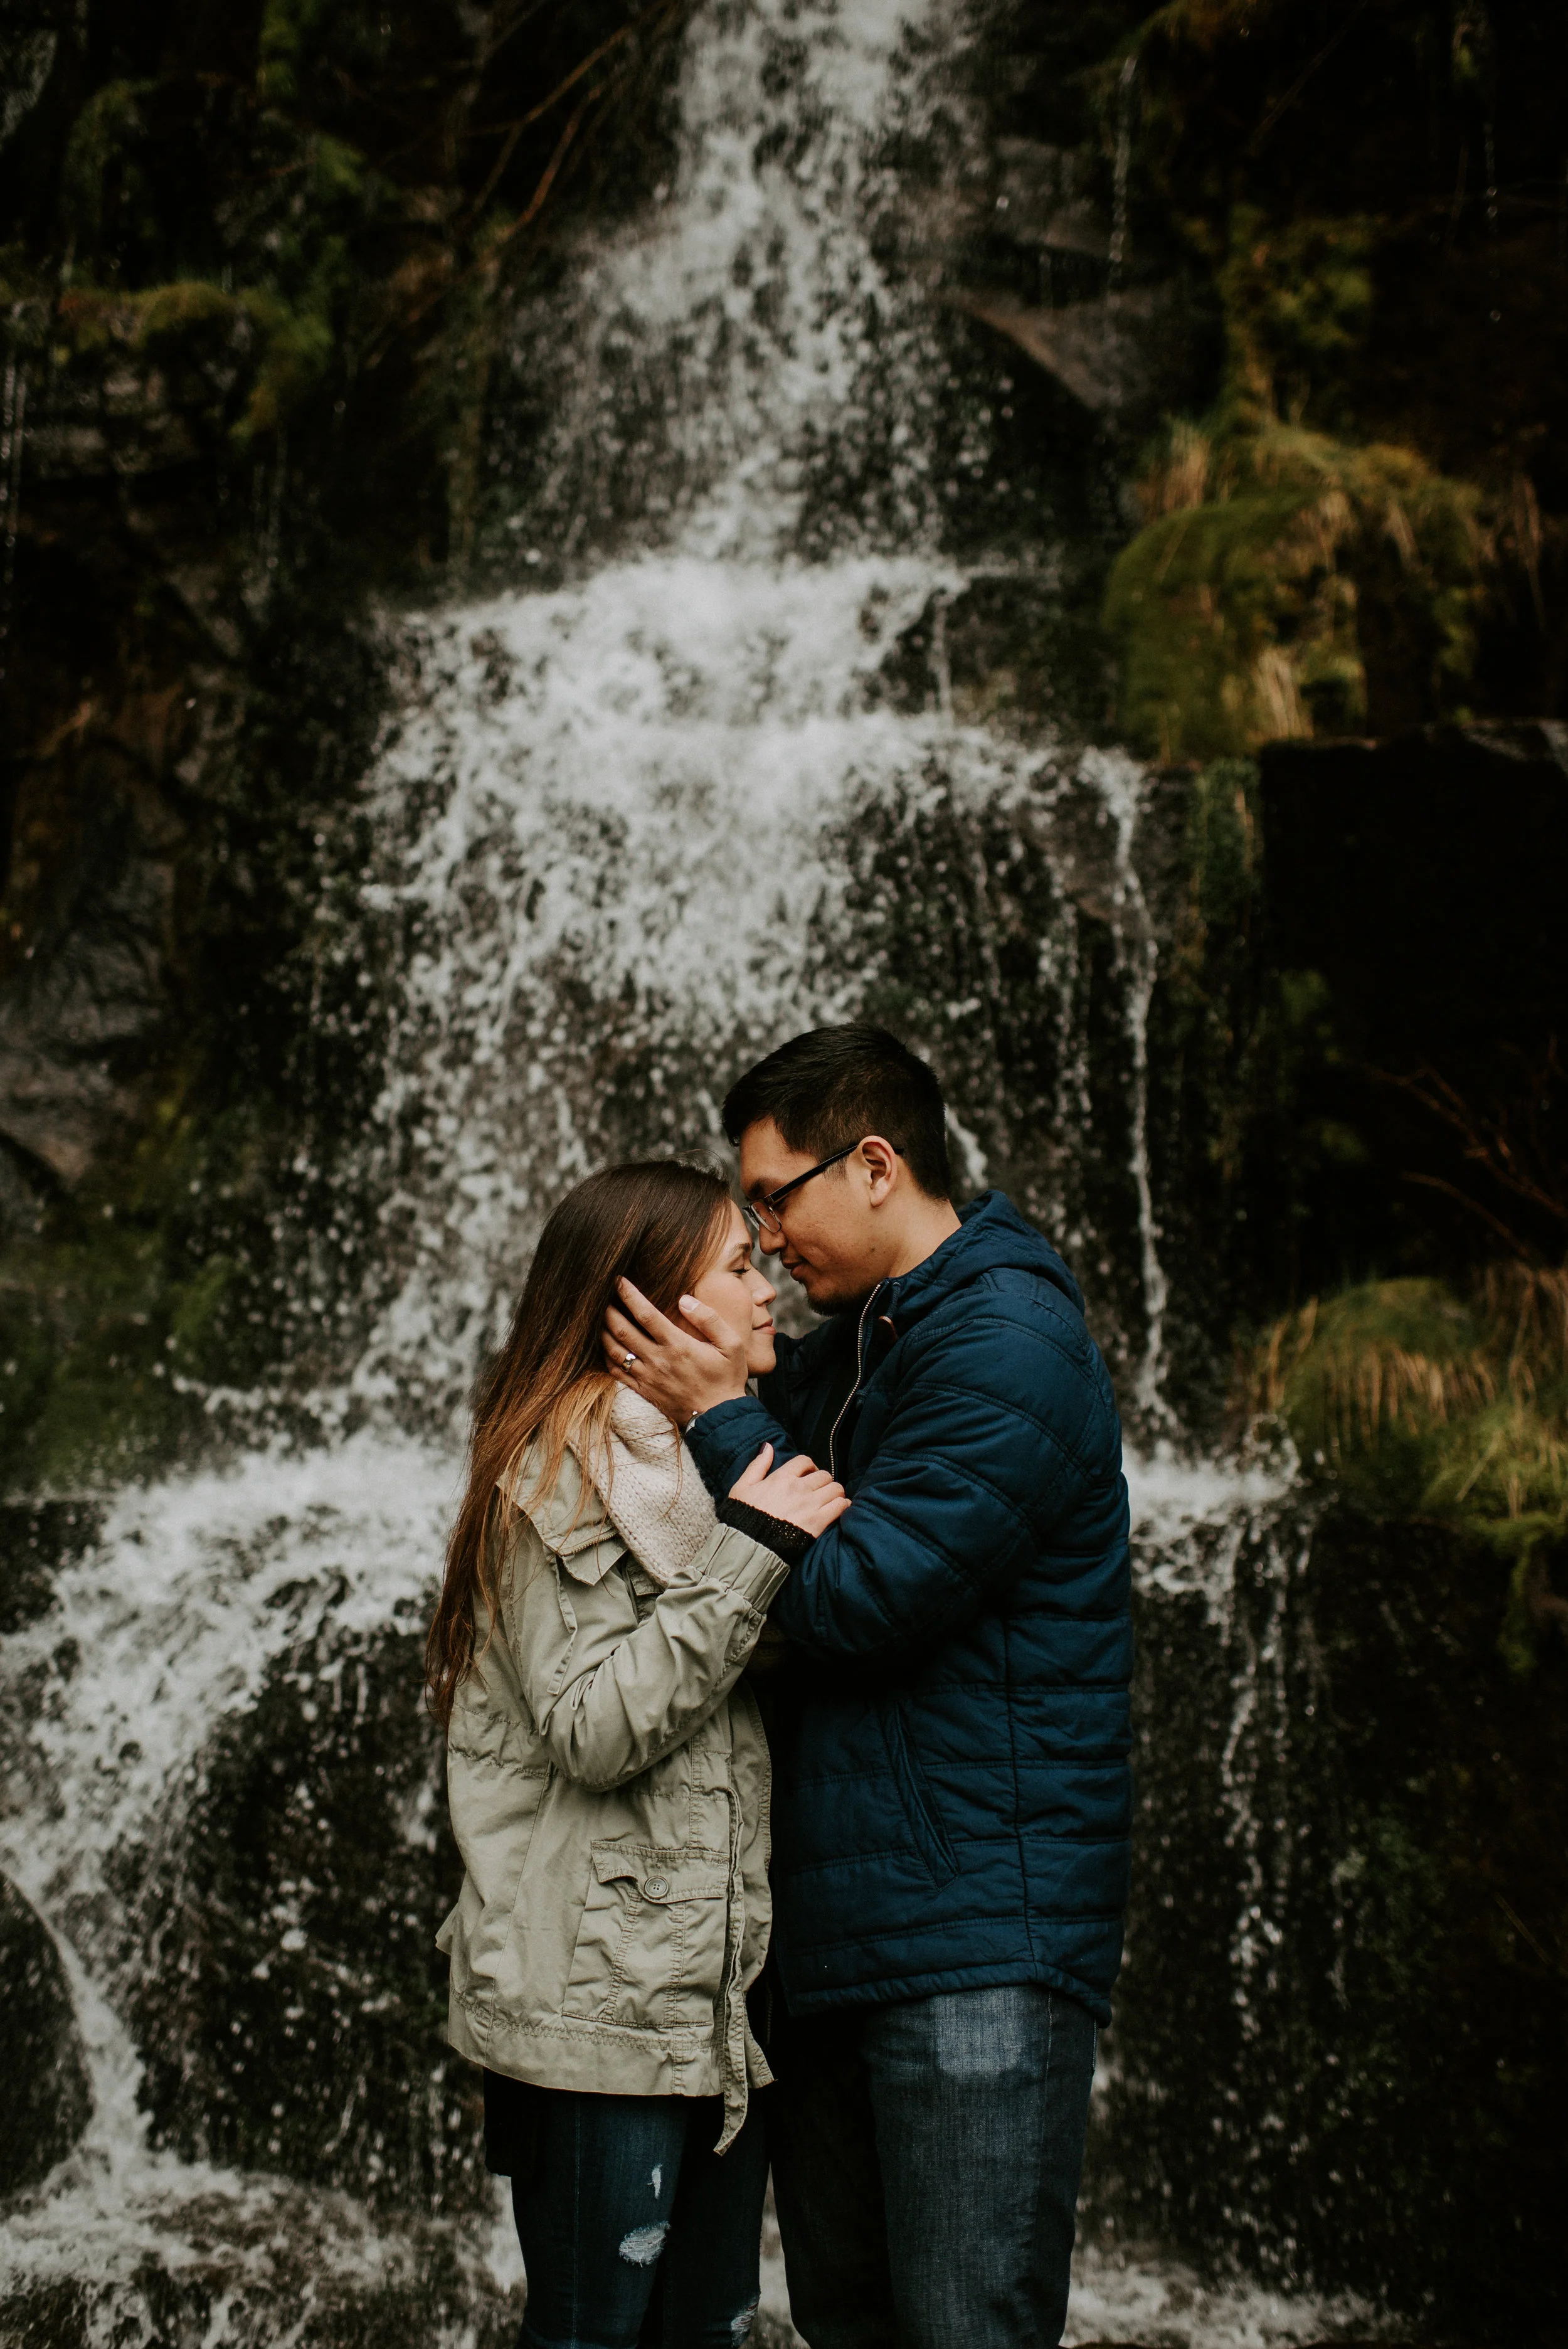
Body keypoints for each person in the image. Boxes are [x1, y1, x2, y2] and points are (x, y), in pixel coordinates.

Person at [604, 1026, 1133, 2349]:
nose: (765, 1242)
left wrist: (718, 1410)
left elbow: (853, 1598)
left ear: (876, 1163)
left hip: (970, 1940)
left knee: (963, 2329)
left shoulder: (1006, 1340)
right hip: (839, 1940)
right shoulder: (862, 1342)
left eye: (773, 1200)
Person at [427, 1159, 847, 2349]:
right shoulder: (564, 1471)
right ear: (644, 1310)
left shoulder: (697, 1467)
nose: (768, 1289)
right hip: (596, 2013)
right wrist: (757, 1545)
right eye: (735, 1267)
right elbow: (595, 1728)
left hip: (706, 2009)